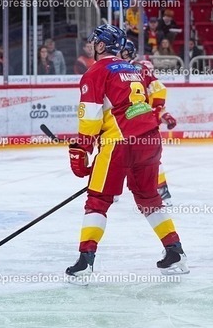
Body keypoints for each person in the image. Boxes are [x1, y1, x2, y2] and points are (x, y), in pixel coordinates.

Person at [65, 25, 187, 282]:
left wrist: (82, 149)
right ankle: (174, 250)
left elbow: (90, 120)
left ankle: (85, 260)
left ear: (101, 46)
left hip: (120, 143)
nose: (91, 45)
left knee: (98, 200)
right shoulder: (133, 69)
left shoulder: (94, 72)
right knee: (149, 198)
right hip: (150, 139)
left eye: (94, 41)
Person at [120, 40, 177, 206]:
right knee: (137, 157)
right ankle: (162, 192)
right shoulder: (133, 68)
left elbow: (158, 90)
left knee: (123, 156)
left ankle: (161, 191)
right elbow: (159, 90)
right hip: (133, 121)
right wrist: (159, 112)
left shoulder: (133, 68)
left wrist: (159, 111)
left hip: (131, 122)